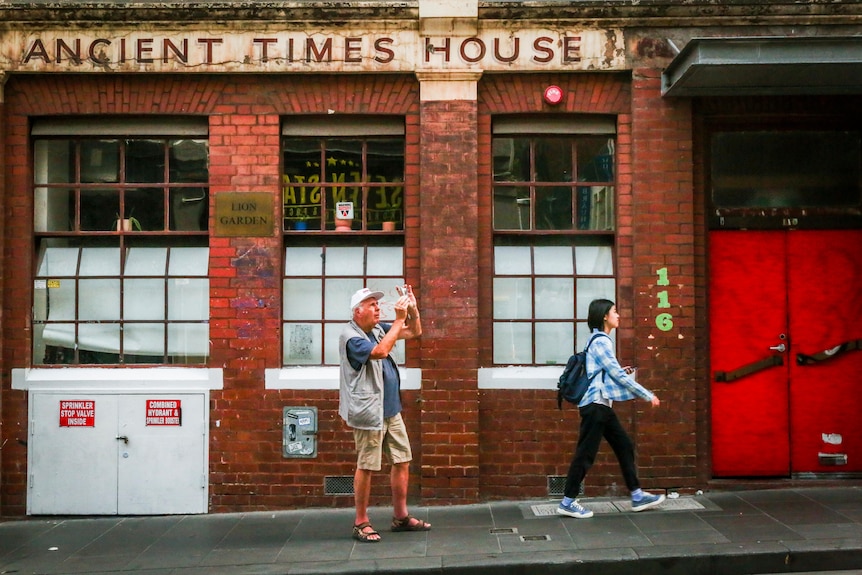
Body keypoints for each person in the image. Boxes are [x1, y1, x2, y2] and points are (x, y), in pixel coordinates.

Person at [557, 298, 665, 519]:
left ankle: (637, 495)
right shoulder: (601, 342)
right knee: (585, 454)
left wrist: (618, 371)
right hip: (595, 406)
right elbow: (614, 374)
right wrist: (646, 394)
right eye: (615, 311)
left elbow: (607, 372)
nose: (618, 315)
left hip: (601, 406)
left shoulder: (597, 341)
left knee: (624, 445)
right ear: (605, 316)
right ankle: (567, 501)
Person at [339, 285, 430, 543]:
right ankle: (361, 522)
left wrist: (412, 310)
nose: (378, 308)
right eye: (372, 305)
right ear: (358, 312)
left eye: (378, 304)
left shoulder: (378, 329)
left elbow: (415, 331)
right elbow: (379, 352)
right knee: (367, 465)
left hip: (391, 409)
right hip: (369, 412)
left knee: (402, 460)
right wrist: (400, 319)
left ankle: (400, 517)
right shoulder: (351, 337)